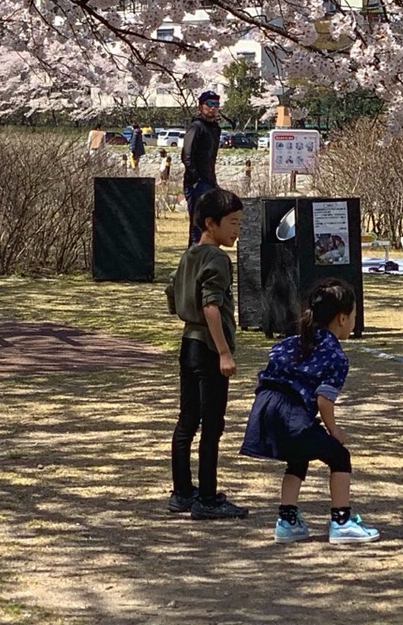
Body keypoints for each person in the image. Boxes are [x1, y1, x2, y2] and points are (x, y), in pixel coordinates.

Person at [240, 279, 380, 544]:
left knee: (298, 456)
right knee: (339, 456)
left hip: (264, 409)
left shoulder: (291, 342)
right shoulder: (336, 356)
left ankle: (287, 521)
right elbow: (324, 400)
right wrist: (334, 430)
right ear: (342, 318)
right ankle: (341, 521)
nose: (353, 321)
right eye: (354, 316)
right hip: (292, 413)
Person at [167, 187, 247, 520]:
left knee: (187, 420)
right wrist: (224, 353)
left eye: (240, 223)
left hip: (188, 344)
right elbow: (212, 306)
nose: (236, 231)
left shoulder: (189, 255)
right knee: (212, 425)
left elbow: (172, 296)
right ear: (210, 224)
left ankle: (182, 492)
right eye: (231, 223)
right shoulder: (216, 258)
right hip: (209, 346)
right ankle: (208, 498)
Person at [181, 90, 223, 245]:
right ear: (200, 107)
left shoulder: (215, 128)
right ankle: (193, 258)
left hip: (209, 181)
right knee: (198, 222)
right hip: (196, 182)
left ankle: (204, 256)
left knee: (209, 222)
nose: (212, 108)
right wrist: (195, 179)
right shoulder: (196, 127)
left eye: (216, 104)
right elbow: (186, 155)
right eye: (209, 104)